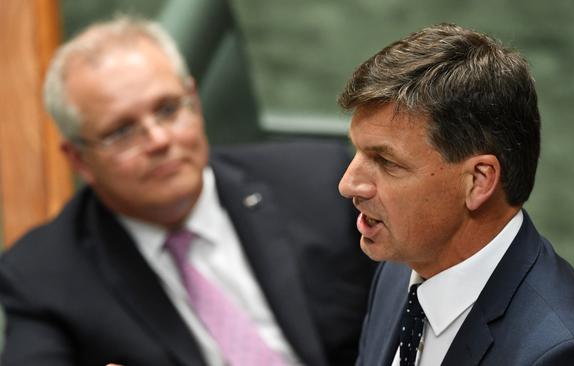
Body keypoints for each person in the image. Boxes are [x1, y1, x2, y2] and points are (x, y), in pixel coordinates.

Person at [0, 17, 376, 366]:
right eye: (121, 131)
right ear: (78, 159)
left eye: (167, 109)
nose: (159, 140)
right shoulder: (43, 274)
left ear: (194, 101)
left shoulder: (317, 182)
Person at [336, 23, 574, 366]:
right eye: (356, 151)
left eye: (385, 161)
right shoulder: (400, 269)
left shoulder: (566, 354)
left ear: (478, 181)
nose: (348, 184)